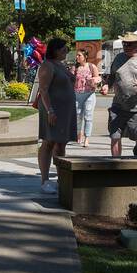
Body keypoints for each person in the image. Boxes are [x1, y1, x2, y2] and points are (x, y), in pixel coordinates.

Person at [34, 38, 78, 193]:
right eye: (64, 49)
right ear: (55, 50)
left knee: (61, 143)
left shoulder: (61, 65)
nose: (66, 52)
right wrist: (50, 110)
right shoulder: (47, 65)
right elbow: (44, 90)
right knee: (49, 142)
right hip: (52, 109)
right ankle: (45, 180)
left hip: (65, 110)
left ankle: (61, 178)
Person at [73, 50, 99, 148]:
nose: (77, 57)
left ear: (85, 56)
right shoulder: (75, 68)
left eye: (79, 55)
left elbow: (98, 78)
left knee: (88, 116)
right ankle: (79, 134)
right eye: (77, 55)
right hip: (77, 94)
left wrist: (94, 81)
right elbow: (71, 81)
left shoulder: (92, 67)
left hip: (89, 94)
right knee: (78, 116)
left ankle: (86, 138)